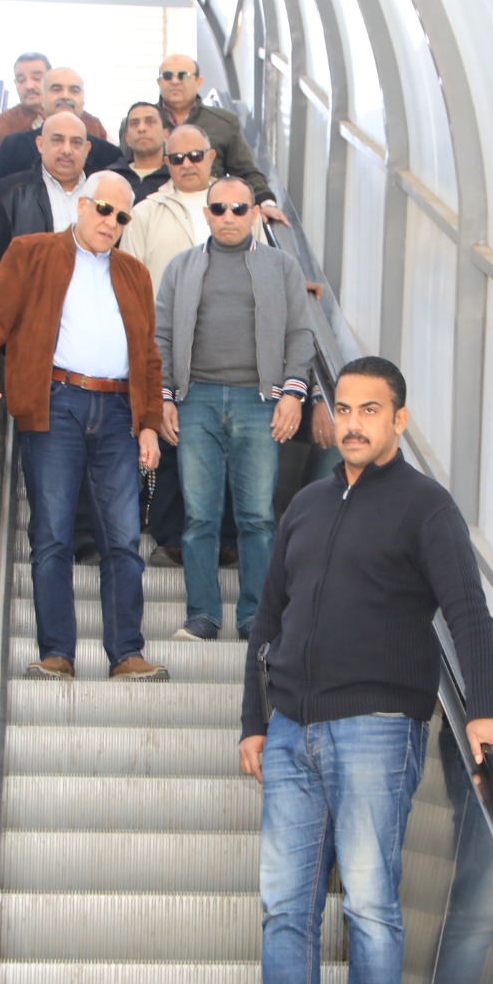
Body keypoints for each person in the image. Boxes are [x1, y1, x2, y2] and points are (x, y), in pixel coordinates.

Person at [237, 356, 493, 984]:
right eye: (343, 409)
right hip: (290, 732)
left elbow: (468, 611)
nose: (353, 424)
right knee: (284, 910)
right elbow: (267, 620)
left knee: (369, 909)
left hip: (377, 728)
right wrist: (255, 721)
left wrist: (484, 710)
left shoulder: (427, 507)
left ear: (399, 419)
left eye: (370, 411)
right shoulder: (306, 505)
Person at [0, 172, 167, 683]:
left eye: (122, 216)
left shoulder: (135, 273)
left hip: (119, 411)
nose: (111, 222)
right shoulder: (31, 252)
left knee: (123, 538)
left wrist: (150, 425)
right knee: (51, 534)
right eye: (103, 209)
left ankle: (126, 654)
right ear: (81, 205)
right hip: (56, 403)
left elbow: (148, 356)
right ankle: (56, 655)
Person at [154, 176, 313, 641]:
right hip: (196, 399)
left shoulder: (281, 267)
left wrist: (293, 393)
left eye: (239, 208)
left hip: (259, 401)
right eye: (219, 208)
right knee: (199, 516)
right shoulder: (181, 266)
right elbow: (161, 336)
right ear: (206, 214)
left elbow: (300, 333)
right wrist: (164, 396)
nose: (229, 217)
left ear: (255, 214)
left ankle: (255, 618)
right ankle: (202, 615)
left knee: (257, 517)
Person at [121, 124, 251, 568]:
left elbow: (266, 266)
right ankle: (172, 536)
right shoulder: (146, 212)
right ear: (166, 162)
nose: (187, 164)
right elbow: (129, 278)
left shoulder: (237, 205)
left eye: (195, 155)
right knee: (171, 437)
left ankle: (228, 539)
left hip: (230, 347)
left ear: (211, 157)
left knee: (229, 441)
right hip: (167, 340)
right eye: (176, 158)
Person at [0, 111, 94, 323]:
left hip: (89, 319)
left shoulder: (104, 196)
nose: (66, 149)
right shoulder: (8, 193)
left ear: (87, 149)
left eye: (76, 142)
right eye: (57, 140)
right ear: (40, 144)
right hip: (24, 322)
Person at [153, 54, 287, 225]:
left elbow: (245, 171)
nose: (174, 81)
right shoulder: (139, 124)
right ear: (159, 82)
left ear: (199, 82)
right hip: (157, 214)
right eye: (167, 76)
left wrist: (265, 202)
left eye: (183, 75)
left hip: (210, 214)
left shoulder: (223, 122)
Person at [0, 68, 121, 206]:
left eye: (74, 90)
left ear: (83, 100)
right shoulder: (13, 147)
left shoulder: (108, 155)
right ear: (43, 99)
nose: (65, 96)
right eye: (56, 89)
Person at [109, 101, 170, 204]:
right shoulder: (111, 176)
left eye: (150, 122)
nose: (141, 128)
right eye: (134, 123)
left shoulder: (175, 177)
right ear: (127, 138)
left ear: (166, 134)